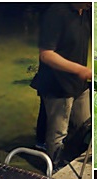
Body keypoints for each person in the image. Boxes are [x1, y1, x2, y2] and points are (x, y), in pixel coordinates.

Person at [30, 3, 91, 168]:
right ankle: (55, 168)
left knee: (83, 128)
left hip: (79, 83)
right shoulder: (57, 13)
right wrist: (81, 70)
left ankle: (75, 163)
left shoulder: (84, 13)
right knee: (58, 134)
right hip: (57, 84)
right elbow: (46, 54)